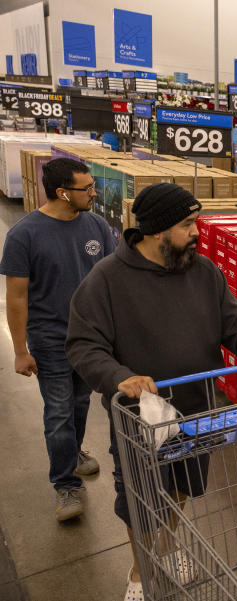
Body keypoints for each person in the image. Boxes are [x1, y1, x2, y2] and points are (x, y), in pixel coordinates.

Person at [64, 183, 237, 601]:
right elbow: (82, 344)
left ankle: (164, 550)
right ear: (156, 230)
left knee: (183, 486)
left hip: (196, 408)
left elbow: (234, 323)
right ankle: (138, 572)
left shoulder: (203, 272)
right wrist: (118, 376)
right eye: (187, 224)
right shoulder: (107, 279)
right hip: (140, 419)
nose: (196, 232)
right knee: (140, 500)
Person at [0, 158, 115, 522]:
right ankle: (65, 484)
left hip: (90, 339)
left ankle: (75, 451)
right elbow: (16, 298)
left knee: (81, 404)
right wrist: (20, 351)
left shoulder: (96, 225)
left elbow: (111, 283)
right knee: (59, 412)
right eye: (87, 188)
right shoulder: (24, 235)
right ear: (63, 192)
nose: (95, 194)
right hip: (50, 340)